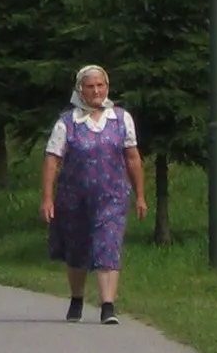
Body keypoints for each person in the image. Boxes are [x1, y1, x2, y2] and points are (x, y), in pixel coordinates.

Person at [40, 62, 146, 323]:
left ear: (107, 87)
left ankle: (107, 306)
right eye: (90, 86)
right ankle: (77, 298)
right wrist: (47, 198)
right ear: (80, 89)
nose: (96, 91)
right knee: (77, 251)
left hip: (112, 197)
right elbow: (52, 160)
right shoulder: (68, 123)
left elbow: (132, 158)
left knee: (108, 247)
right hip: (74, 199)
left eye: (100, 85)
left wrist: (141, 196)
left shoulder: (121, 119)